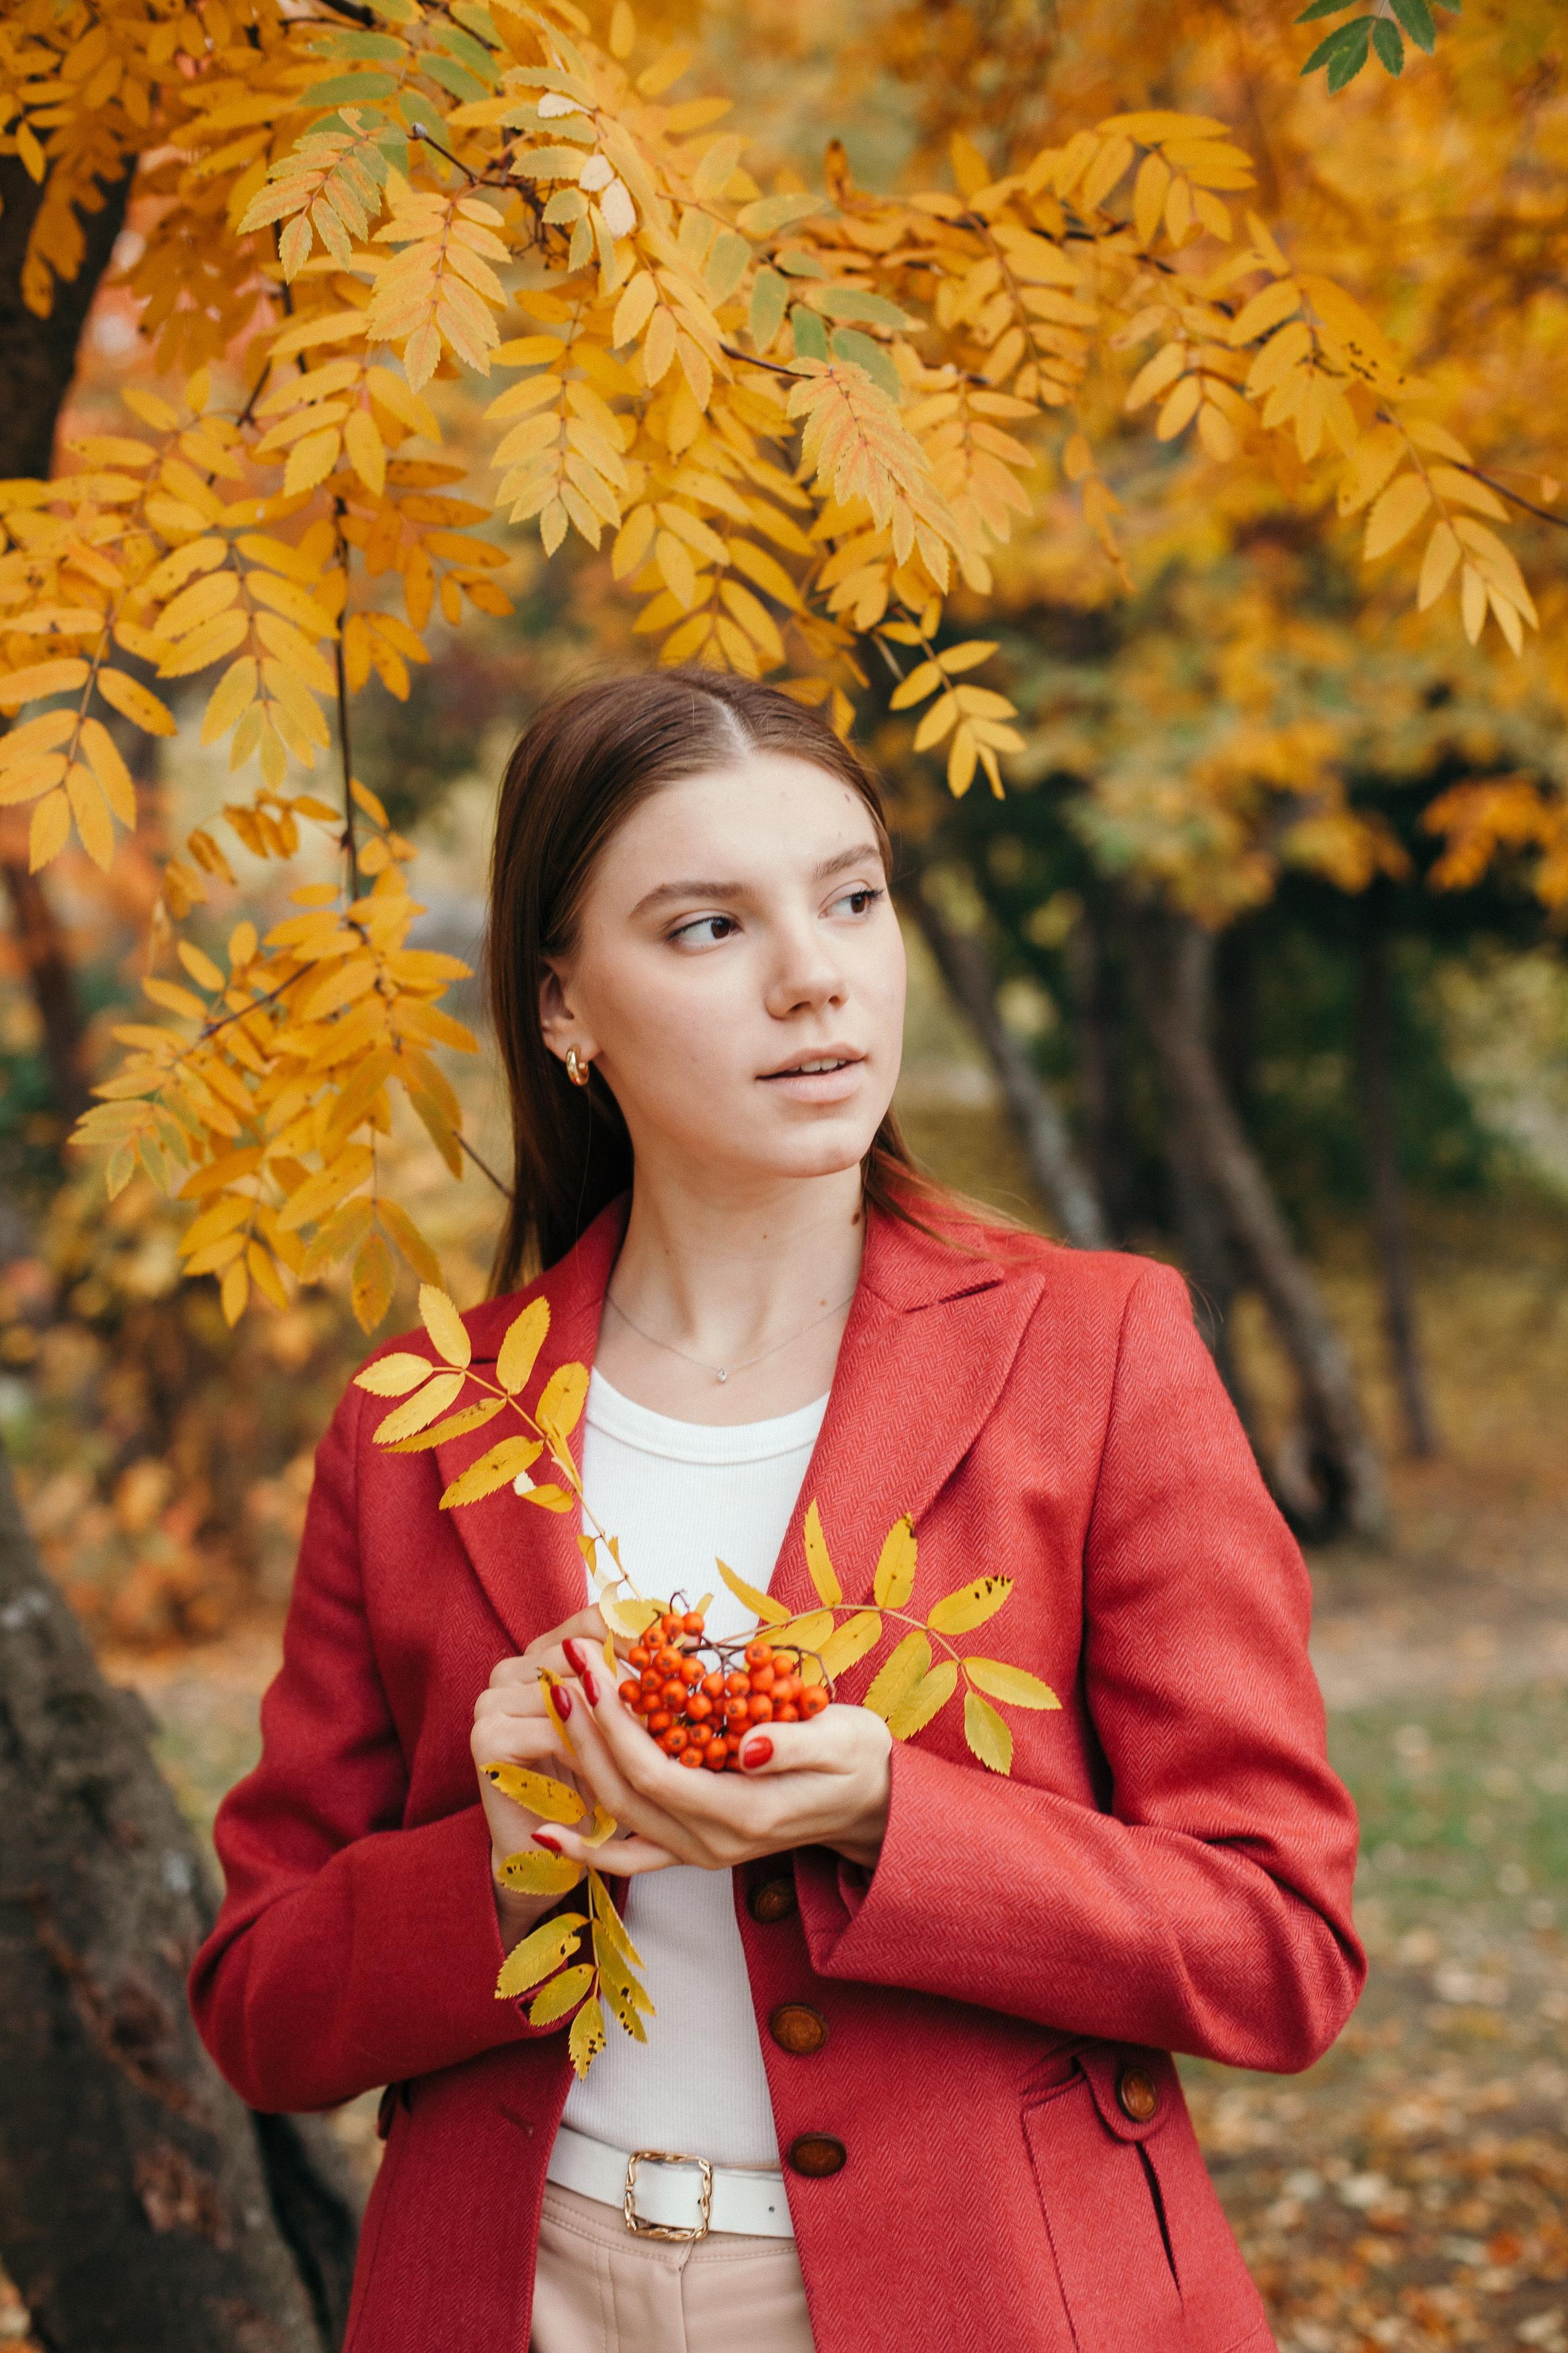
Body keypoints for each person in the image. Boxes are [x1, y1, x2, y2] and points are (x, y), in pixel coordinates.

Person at [190, 669, 1364, 2353]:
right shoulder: (418, 1428)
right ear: (563, 1006)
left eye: (853, 897)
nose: (816, 975)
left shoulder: (1099, 1353)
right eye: (705, 927)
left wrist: (896, 1818)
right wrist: (500, 1867)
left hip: (982, 2297)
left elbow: (1283, 1947)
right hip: (518, 2295)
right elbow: (258, 2006)